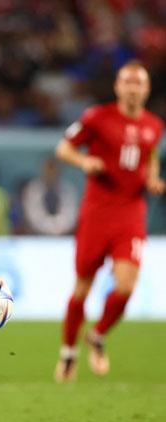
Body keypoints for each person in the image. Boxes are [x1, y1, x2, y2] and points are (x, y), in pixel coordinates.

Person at [54, 60, 164, 383]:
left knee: (127, 286)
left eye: (139, 82)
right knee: (82, 288)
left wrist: (153, 179)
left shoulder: (154, 125)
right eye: (127, 82)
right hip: (97, 213)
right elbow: (63, 148)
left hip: (131, 213)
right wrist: (84, 160)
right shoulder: (97, 117)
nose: (133, 87)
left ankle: (98, 335)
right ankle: (68, 352)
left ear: (146, 89)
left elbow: (151, 157)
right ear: (117, 87)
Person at [20, 158, 77, 235]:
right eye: (48, 170)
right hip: (36, 237)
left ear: (59, 171)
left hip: (63, 236)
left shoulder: (68, 189)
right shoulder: (32, 189)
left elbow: (70, 216)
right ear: (42, 171)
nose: (51, 174)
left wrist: (57, 226)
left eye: (53, 170)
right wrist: (51, 227)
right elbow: (34, 217)